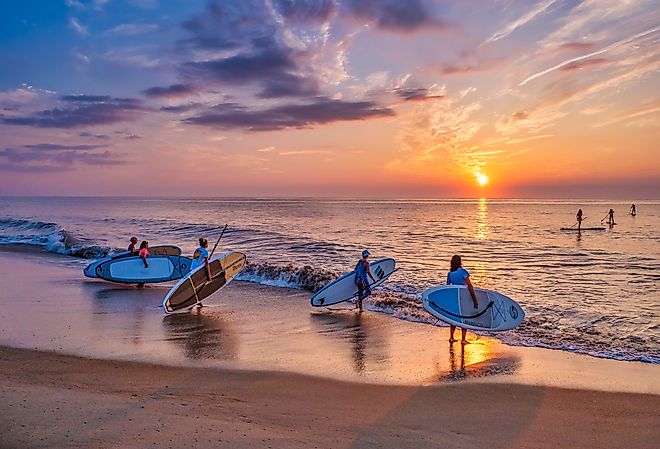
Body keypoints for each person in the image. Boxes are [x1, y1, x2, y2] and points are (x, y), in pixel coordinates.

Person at [447, 255, 478, 344]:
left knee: (453, 317)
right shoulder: (463, 272)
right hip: (463, 298)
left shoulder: (450, 273)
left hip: (454, 298)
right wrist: (475, 300)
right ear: (460, 262)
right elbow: (470, 286)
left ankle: (451, 337)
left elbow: (448, 286)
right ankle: (463, 339)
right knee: (464, 316)